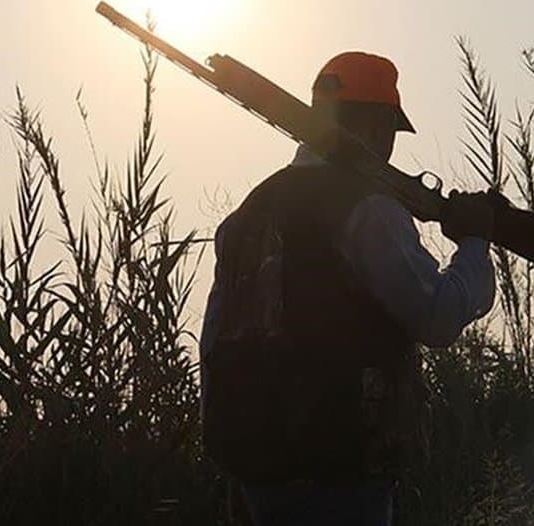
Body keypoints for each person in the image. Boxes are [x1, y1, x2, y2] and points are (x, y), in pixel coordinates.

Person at [200, 51, 498, 525]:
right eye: (388, 131)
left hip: (253, 468)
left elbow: (215, 340)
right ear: (379, 127)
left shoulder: (248, 212)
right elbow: (438, 318)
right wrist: (476, 242)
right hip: (339, 464)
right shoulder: (369, 208)